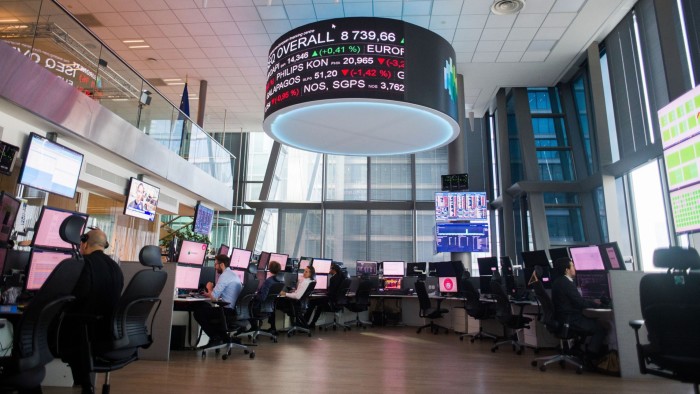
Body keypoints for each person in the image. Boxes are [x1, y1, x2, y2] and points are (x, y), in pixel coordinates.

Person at [60, 228, 124, 394]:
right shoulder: (115, 268)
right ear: (105, 245)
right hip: (107, 332)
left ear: (85, 242)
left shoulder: (84, 264)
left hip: (86, 333)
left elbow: (74, 298)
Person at [551, 257, 607, 358]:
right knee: (600, 328)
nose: (574, 268)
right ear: (567, 270)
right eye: (572, 266)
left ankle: (578, 350)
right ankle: (590, 357)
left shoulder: (557, 282)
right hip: (571, 320)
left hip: (563, 319)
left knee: (592, 321)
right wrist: (598, 304)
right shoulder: (566, 283)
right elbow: (580, 303)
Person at [193, 254, 242, 347]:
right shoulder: (233, 274)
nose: (215, 267)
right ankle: (224, 338)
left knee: (198, 313)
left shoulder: (224, 276)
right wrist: (209, 294)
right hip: (233, 310)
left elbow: (214, 297)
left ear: (222, 265)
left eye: (215, 264)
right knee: (205, 306)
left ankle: (215, 338)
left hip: (227, 311)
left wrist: (209, 288)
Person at [271, 265, 315, 332]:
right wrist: (294, 291)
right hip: (299, 304)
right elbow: (299, 293)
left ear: (310, 274)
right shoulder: (311, 281)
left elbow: (297, 296)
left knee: (274, 303)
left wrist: (285, 293)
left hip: (295, 304)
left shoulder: (305, 282)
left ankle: (273, 328)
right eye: (304, 271)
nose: (304, 273)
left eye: (306, 272)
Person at [305, 263, 346, 328]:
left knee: (312, 302)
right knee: (319, 306)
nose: (329, 270)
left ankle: (305, 322)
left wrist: (324, 293)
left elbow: (331, 292)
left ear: (334, 270)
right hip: (338, 302)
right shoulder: (342, 277)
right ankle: (312, 323)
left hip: (332, 302)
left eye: (330, 268)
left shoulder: (333, 278)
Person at [250, 260, 283, 331]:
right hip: (270, 308)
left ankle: (254, 327)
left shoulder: (268, 281)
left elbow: (262, 298)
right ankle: (255, 328)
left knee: (247, 305)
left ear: (269, 269)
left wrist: (254, 295)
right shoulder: (280, 281)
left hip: (260, 308)